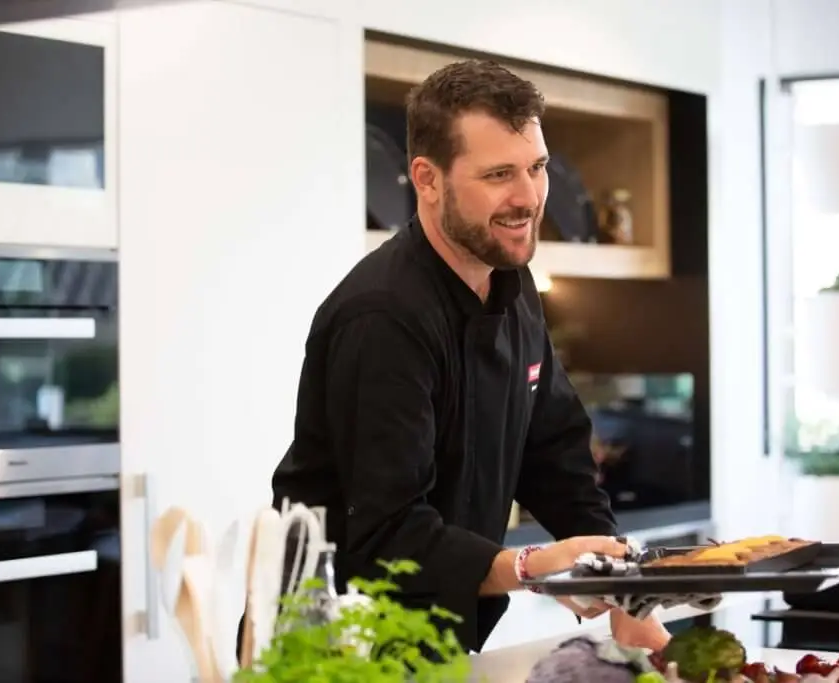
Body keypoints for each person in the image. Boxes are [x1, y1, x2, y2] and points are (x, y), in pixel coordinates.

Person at [269, 58, 671, 654]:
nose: (529, 197)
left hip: (449, 637)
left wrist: (621, 585)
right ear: (427, 179)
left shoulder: (513, 284)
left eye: (537, 167)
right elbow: (387, 532)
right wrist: (534, 565)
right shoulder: (383, 317)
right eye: (499, 174)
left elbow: (553, 450)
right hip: (346, 646)